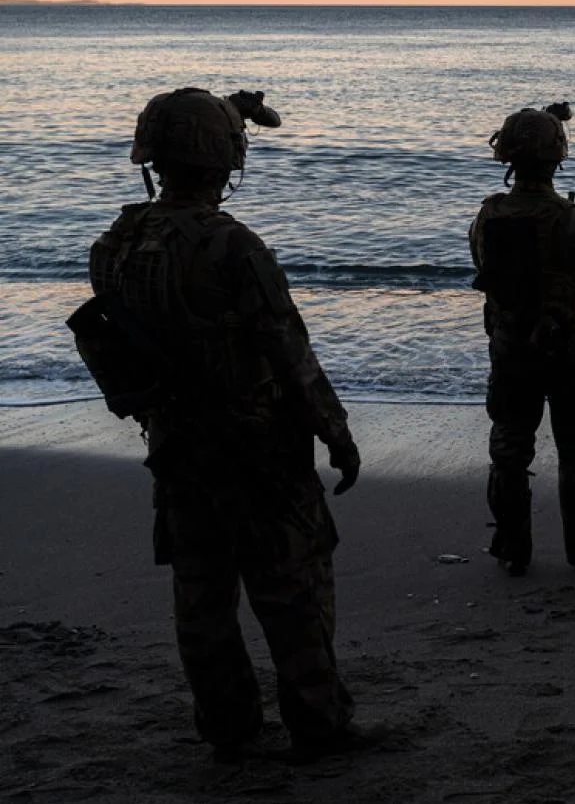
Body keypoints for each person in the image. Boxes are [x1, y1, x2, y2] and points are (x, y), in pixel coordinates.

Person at [72, 87, 374, 761]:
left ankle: (229, 727)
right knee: (292, 591)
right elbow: (288, 349)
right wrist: (337, 433)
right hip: (258, 449)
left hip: (178, 446)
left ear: (153, 158)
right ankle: (319, 726)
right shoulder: (234, 245)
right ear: (225, 163)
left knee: (201, 595)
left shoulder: (114, 244)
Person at [469, 103, 575, 575]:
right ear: (558, 156)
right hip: (569, 352)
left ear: (508, 158)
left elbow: (489, 269)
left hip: (510, 347)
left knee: (509, 448)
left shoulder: (487, 217)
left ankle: (511, 548)